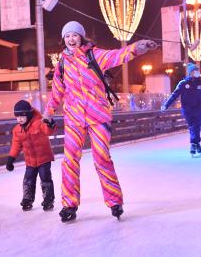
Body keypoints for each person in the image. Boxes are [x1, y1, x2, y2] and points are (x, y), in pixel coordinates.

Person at [43, 20, 157, 222]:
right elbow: (57, 91)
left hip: (98, 116)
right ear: (64, 39)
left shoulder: (95, 55)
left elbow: (117, 55)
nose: (71, 39)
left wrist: (138, 48)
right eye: (68, 36)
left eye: (75, 35)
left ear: (81, 37)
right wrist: (48, 112)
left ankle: (115, 202)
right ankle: (69, 205)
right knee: (69, 161)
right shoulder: (62, 63)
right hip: (74, 118)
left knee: (102, 158)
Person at [6, 100, 57, 211]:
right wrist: (11, 158)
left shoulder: (39, 123)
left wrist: (50, 123)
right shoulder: (17, 130)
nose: (19, 119)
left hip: (44, 159)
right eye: (17, 116)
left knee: (45, 179)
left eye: (22, 116)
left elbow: (48, 131)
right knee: (28, 179)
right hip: (30, 161)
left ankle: (48, 200)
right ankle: (27, 199)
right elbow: (16, 145)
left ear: (28, 115)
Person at [161, 63, 201, 157]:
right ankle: (194, 144)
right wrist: (166, 105)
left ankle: (196, 144)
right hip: (187, 110)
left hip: (199, 109)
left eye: (198, 70)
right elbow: (174, 95)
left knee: (197, 127)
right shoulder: (183, 83)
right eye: (195, 71)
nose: (197, 72)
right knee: (192, 126)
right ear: (190, 72)